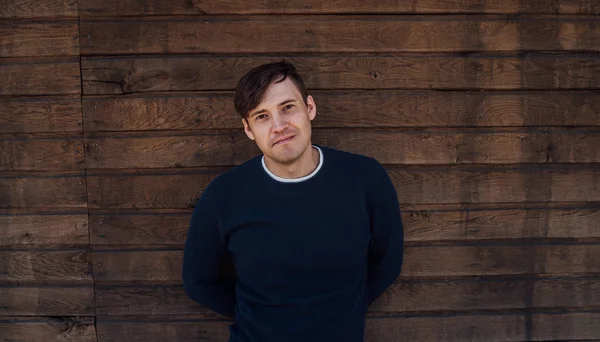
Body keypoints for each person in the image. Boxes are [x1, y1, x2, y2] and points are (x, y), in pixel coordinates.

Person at [182, 61, 404, 342]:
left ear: (309, 107)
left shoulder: (365, 179)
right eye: (261, 116)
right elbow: (198, 281)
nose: (279, 126)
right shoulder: (224, 196)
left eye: (288, 107)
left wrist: (343, 312)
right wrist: (259, 316)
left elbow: (387, 262)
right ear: (248, 129)